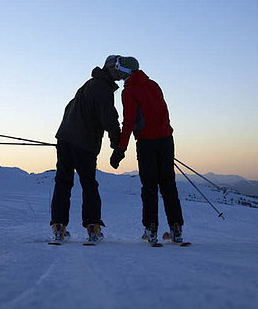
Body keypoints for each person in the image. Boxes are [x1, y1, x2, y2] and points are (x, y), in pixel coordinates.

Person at [51, 55, 127, 243]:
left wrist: (67, 132)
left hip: (65, 139)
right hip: (84, 144)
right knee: (89, 184)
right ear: (110, 69)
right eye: (118, 70)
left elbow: (69, 108)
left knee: (63, 182)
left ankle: (58, 227)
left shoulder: (88, 85)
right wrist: (117, 147)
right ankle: (93, 227)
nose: (120, 74)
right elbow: (109, 119)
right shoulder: (103, 88)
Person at [110, 57, 184, 244]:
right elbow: (164, 112)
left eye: (119, 67)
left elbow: (129, 121)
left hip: (146, 143)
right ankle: (176, 228)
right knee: (169, 185)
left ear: (126, 70)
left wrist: (121, 148)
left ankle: (151, 229)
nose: (117, 71)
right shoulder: (153, 85)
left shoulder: (129, 91)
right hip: (166, 139)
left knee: (150, 186)